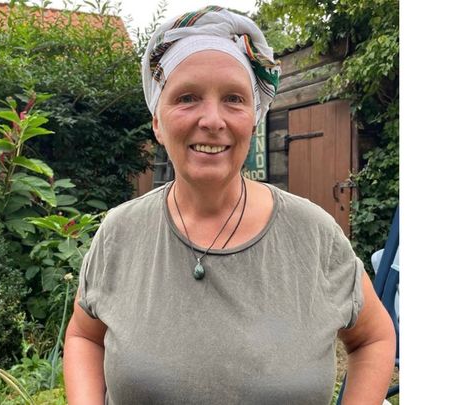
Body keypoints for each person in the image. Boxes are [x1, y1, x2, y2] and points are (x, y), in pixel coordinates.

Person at [64, 6, 395, 404]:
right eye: (187, 97)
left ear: (253, 120)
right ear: (157, 122)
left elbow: (374, 337)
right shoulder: (121, 232)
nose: (212, 120)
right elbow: (84, 335)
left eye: (234, 99)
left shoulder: (313, 235)